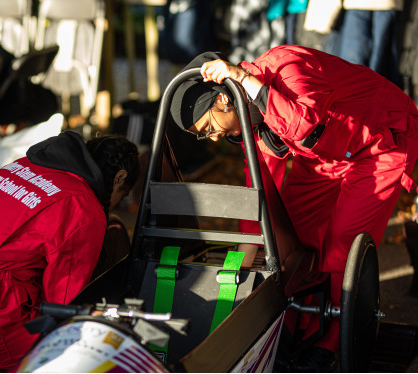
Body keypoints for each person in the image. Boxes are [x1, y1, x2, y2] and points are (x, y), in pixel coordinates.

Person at [170, 47, 418, 371]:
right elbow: (258, 203)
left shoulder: (286, 68)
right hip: (325, 159)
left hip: (379, 143)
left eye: (208, 128)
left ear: (222, 100)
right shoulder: (248, 123)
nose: (214, 139)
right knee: (291, 231)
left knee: (340, 242)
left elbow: (304, 125)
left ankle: (329, 344)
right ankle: (290, 327)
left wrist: (245, 80)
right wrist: (232, 281)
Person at [0, 131, 140, 372]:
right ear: (119, 178)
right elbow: (64, 304)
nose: (116, 203)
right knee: (61, 349)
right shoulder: (83, 207)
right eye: (122, 195)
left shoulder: (22, 167)